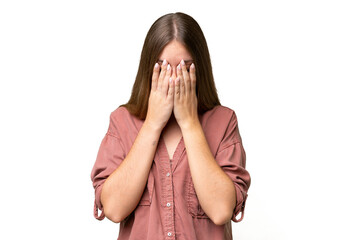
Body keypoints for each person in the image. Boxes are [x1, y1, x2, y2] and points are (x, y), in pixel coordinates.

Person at [90, 12, 251, 240]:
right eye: (164, 68)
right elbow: (114, 209)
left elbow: (221, 210)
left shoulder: (224, 122)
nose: (174, 79)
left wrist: (190, 123)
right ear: (149, 69)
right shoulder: (122, 121)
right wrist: (153, 123)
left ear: (199, 68)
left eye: (185, 68)